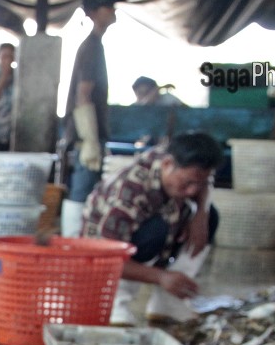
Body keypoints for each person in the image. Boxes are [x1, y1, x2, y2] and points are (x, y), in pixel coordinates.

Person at [81, 131, 223, 325]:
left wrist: (201, 215)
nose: (192, 191)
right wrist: (161, 277)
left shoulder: (181, 164)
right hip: (103, 253)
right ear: (167, 165)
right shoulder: (129, 193)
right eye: (187, 183)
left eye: (198, 184)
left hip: (168, 217)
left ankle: (168, 303)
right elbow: (105, 257)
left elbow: (204, 182)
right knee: (156, 231)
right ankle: (115, 303)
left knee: (211, 217)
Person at [61, 0, 125, 237]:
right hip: (84, 133)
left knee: (88, 187)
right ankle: (70, 244)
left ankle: (78, 241)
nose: (113, 11)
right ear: (96, 12)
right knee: (82, 187)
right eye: (109, 7)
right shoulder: (91, 47)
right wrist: (89, 138)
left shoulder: (95, 46)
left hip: (88, 132)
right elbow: (83, 93)